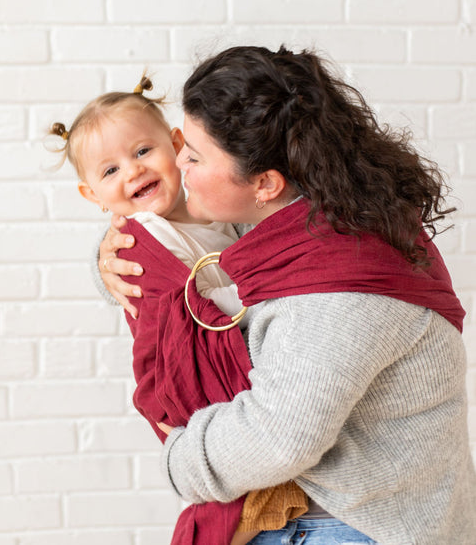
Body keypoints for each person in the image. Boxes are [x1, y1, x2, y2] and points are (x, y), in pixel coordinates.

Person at [97, 45, 476, 545]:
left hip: (352, 528)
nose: (178, 164)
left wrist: (179, 458)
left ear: (265, 183)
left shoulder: (337, 290)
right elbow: (181, 249)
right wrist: (110, 259)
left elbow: (279, 436)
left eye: (193, 153)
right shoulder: (313, 227)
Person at [47, 78, 308, 545]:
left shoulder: (220, 211)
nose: (132, 171)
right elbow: (198, 312)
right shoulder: (146, 236)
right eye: (110, 171)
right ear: (93, 196)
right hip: (197, 378)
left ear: (176, 144)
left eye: (143, 151)